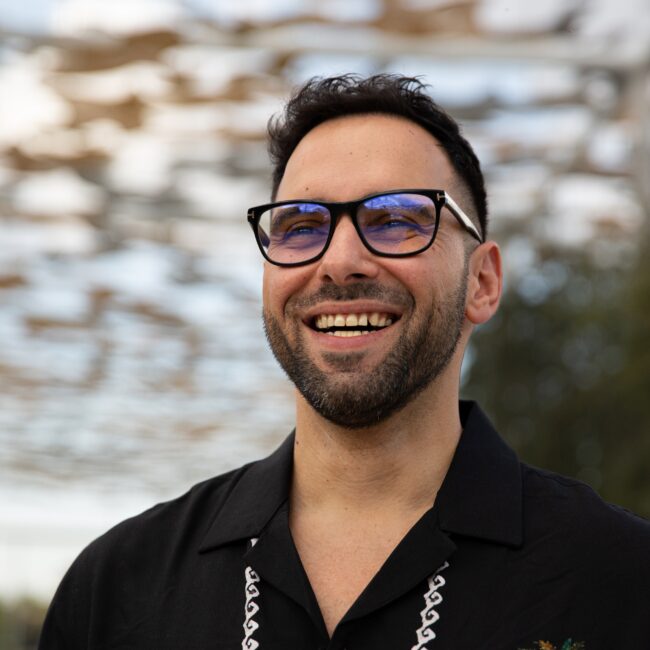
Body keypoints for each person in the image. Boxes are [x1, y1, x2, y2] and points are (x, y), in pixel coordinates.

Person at [39, 75, 649, 650]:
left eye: (396, 219)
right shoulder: (115, 590)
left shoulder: (618, 581)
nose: (339, 262)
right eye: (302, 226)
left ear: (482, 282)